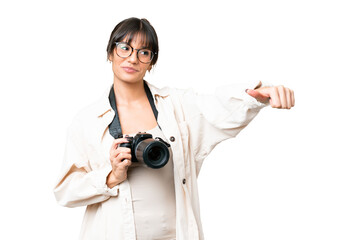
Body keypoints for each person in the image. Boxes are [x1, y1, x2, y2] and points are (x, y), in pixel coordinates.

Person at [54, 17, 295, 240]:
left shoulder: (177, 105)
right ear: (110, 53)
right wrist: (112, 175)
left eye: (144, 52)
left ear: (152, 62)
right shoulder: (86, 120)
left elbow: (219, 107)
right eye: (124, 48)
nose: (133, 58)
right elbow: (65, 191)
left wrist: (260, 95)